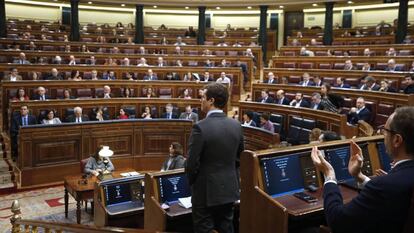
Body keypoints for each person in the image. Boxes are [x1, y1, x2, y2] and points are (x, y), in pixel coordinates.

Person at [311, 106, 414, 233]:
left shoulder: (386, 185)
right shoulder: (393, 184)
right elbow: (392, 193)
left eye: (385, 131)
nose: (383, 135)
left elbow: (337, 221)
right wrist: (359, 176)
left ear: (397, 140)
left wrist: (329, 175)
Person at [186, 83, 244, 233]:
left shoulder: (200, 127)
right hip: (229, 190)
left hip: (205, 192)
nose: (201, 100)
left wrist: (195, 184)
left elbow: (191, 165)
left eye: (203, 97)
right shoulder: (236, 125)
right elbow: (239, 159)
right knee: (226, 228)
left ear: (211, 101)